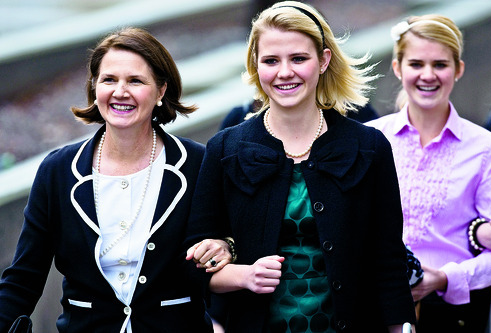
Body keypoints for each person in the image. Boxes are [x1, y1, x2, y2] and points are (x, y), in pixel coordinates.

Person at [185, 2, 416, 332]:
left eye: (298, 58)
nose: (284, 72)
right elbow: (192, 265)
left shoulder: (370, 146)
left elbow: (388, 258)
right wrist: (243, 274)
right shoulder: (225, 148)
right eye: (271, 61)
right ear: (255, 64)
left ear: (323, 60)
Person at [0, 27, 231, 332]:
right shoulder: (57, 170)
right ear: (94, 87)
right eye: (109, 80)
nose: (120, 91)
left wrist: (225, 246)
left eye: (135, 81)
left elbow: (226, 241)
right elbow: (23, 279)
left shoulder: (198, 163)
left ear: (161, 91)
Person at [366, 14, 491, 332]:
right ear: (398, 68)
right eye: (416, 64)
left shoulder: (485, 147)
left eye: (440, 64)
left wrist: (445, 278)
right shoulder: (370, 140)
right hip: (375, 309)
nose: (428, 75)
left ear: (459, 70)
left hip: (453, 316)